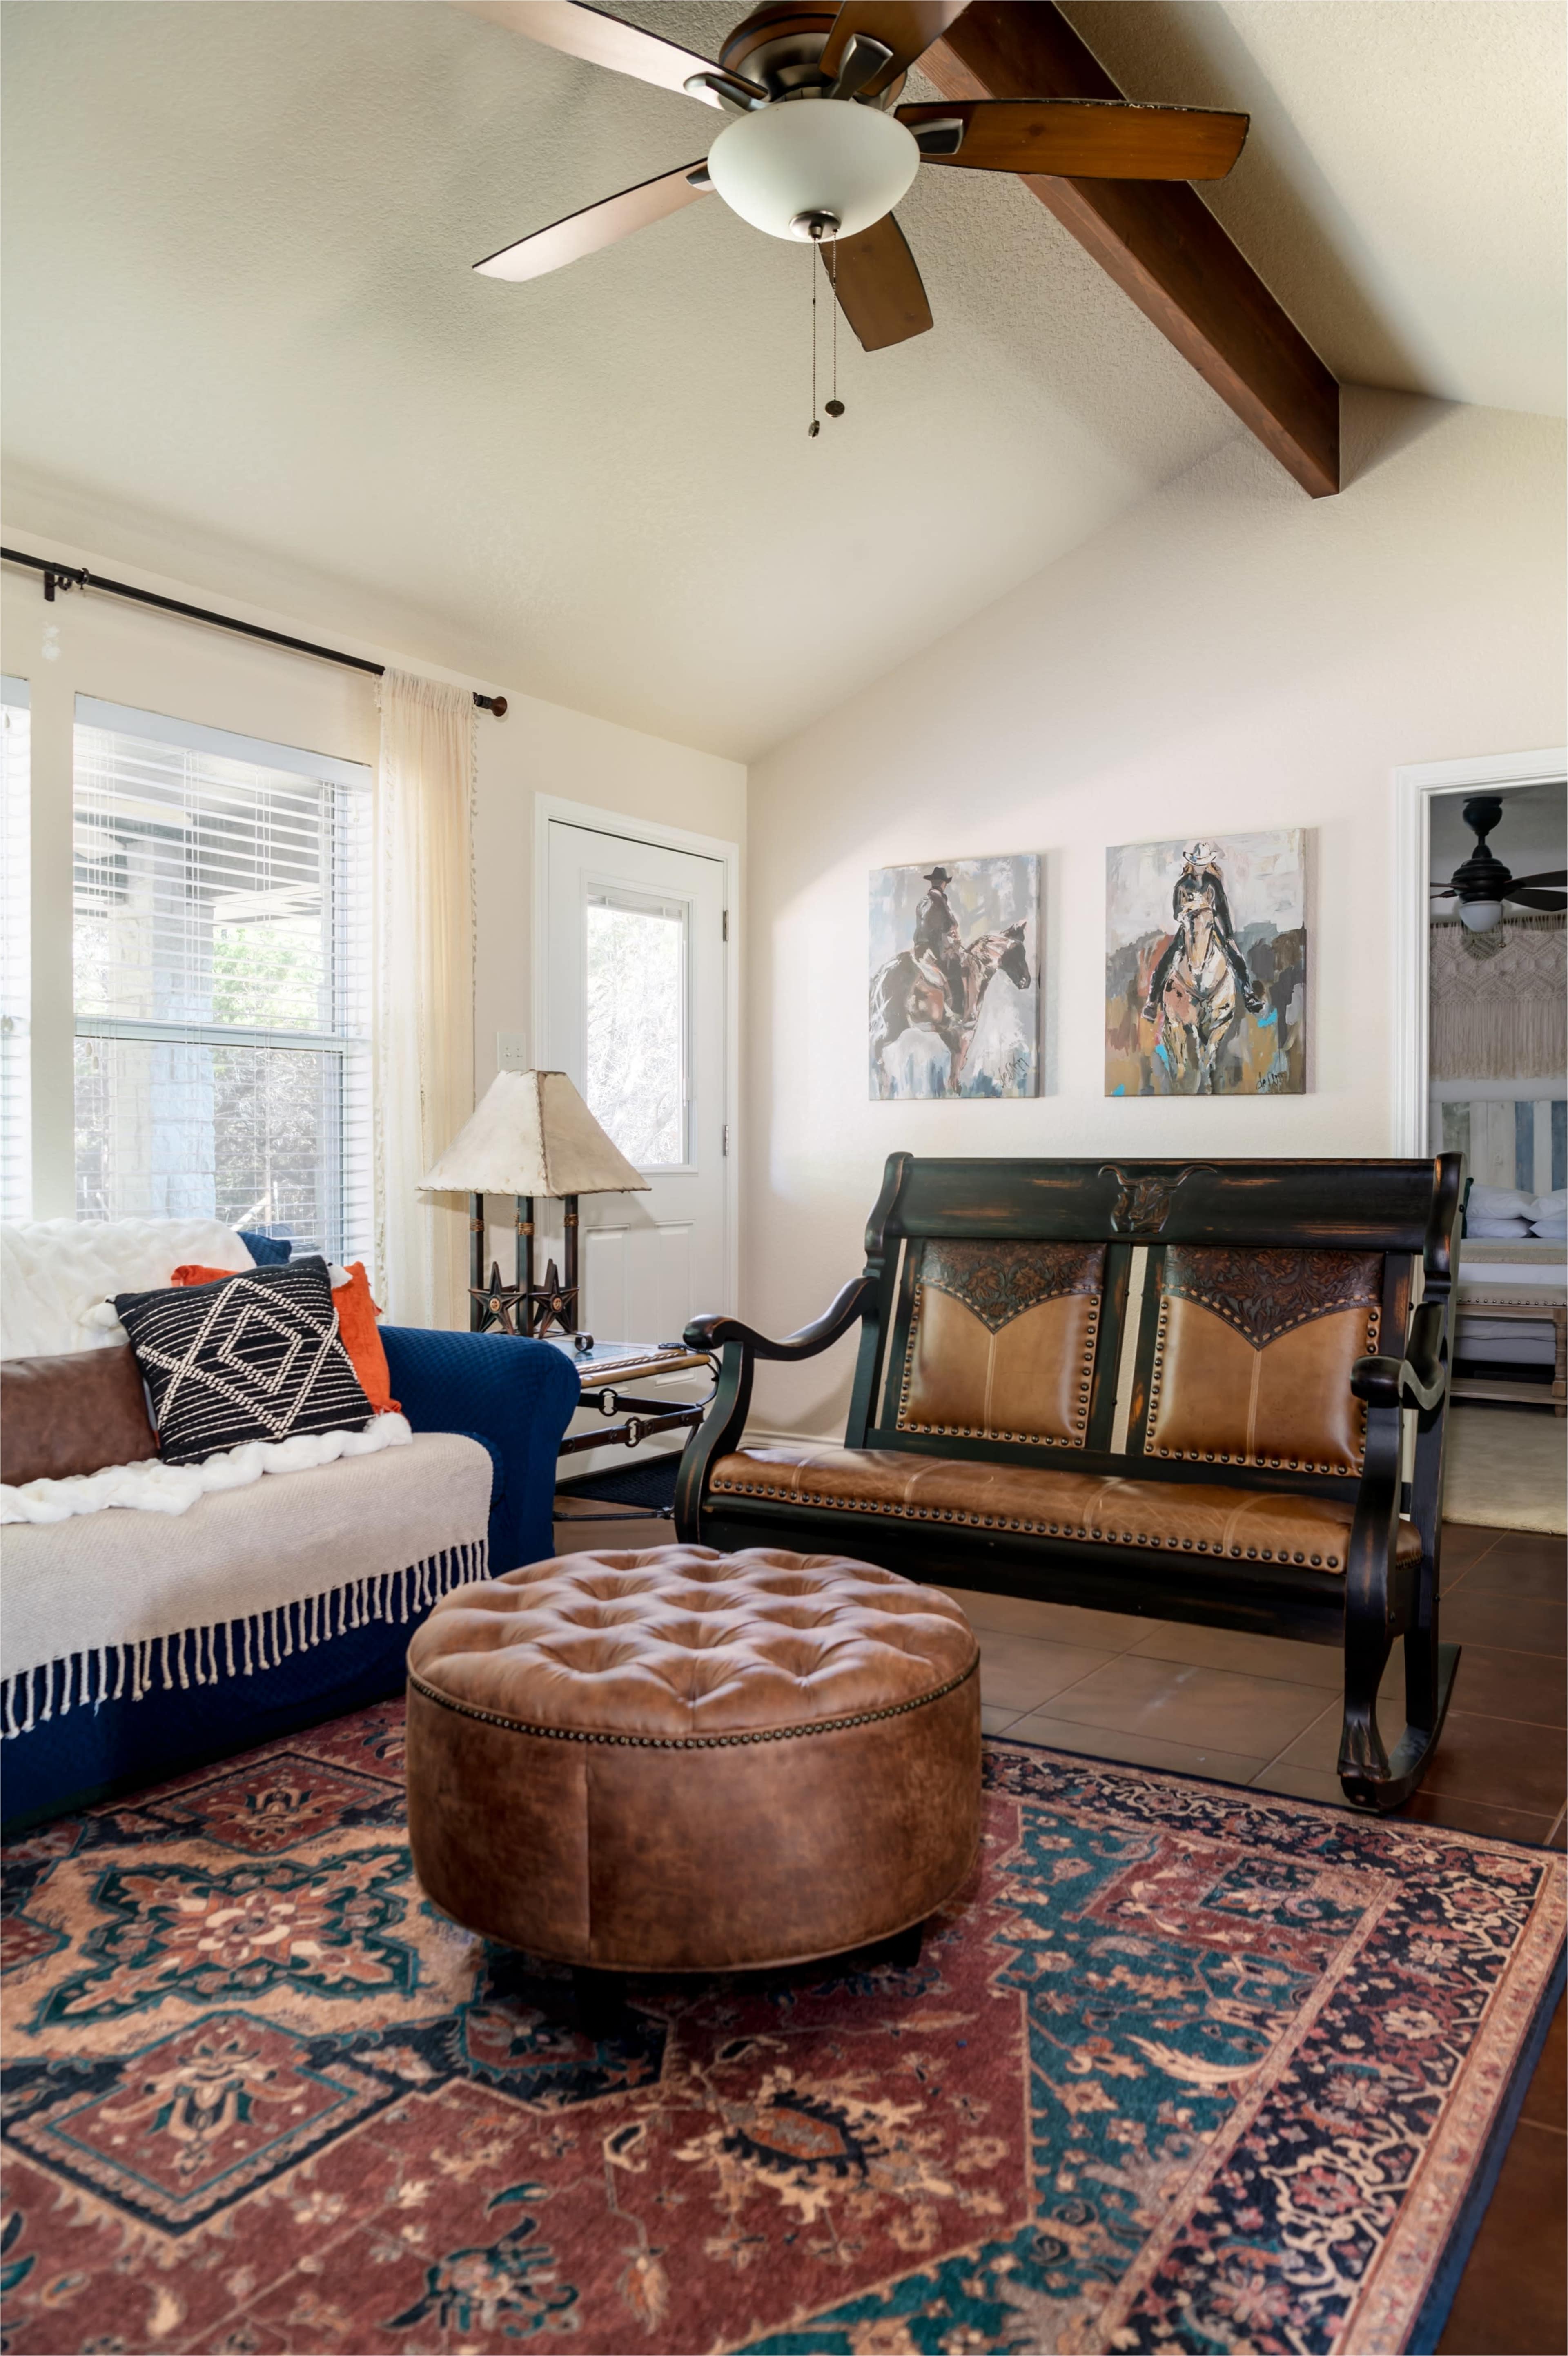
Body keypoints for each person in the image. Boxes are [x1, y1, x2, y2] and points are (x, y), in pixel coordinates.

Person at [913, 865, 967, 1020]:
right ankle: (957, 1012)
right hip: (934, 946)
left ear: (933, 883)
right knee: (955, 964)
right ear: (944, 884)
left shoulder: (923, 901)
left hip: (919, 946)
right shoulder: (938, 900)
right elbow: (950, 924)